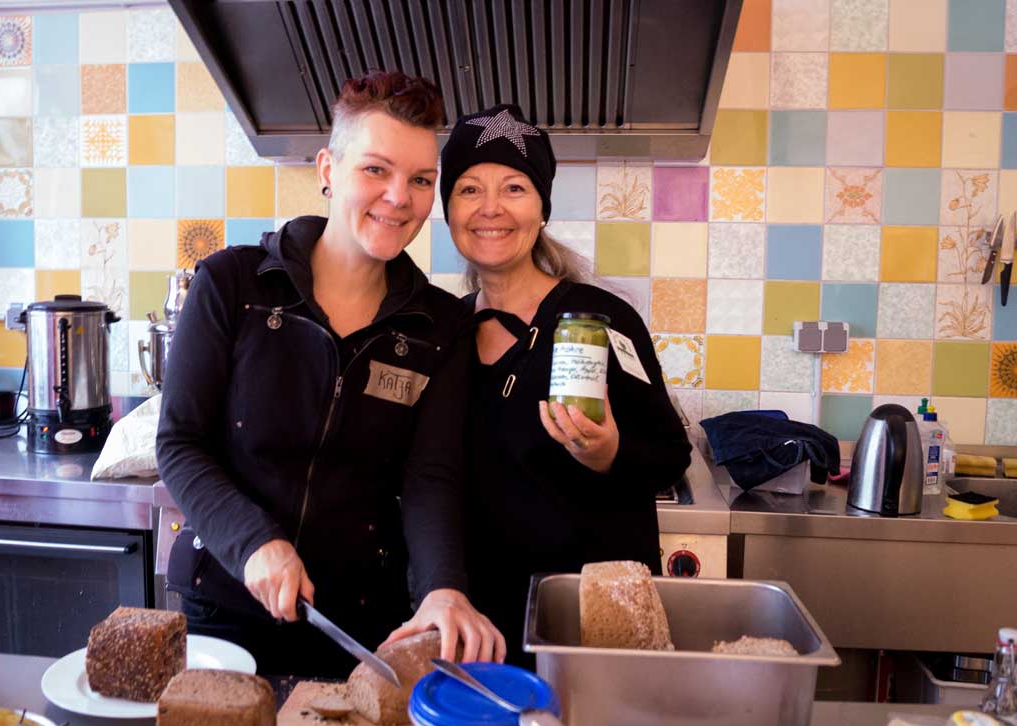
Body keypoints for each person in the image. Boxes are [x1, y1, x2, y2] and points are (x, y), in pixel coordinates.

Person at [157, 72, 504, 677]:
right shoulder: (231, 285)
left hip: (362, 628)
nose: (399, 197)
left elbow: (430, 476)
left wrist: (442, 588)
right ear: (327, 169)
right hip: (224, 606)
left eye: (421, 180)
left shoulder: (438, 327)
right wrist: (253, 543)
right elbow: (180, 444)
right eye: (376, 170)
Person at [437, 104, 692, 666]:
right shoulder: (445, 331)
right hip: (479, 624)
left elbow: (670, 452)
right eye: (469, 189)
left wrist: (609, 454)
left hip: (588, 624)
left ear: (542, 209)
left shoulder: (597, 321)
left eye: (514, 187)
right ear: (449, 209)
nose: (491, 208)